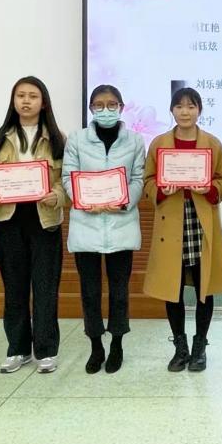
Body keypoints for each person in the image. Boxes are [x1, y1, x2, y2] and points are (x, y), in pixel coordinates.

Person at [144, 87, 222, 373]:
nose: (185, 112)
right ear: (171, 110)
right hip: (171, 223)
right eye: (179, 106)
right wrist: (161, 189)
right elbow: (148, 181)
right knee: (173, 288)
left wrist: (209, 189)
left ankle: (200, 347)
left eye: (191, 106)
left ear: (199, 110)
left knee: (205, 288)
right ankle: (180, 348)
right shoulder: (159, 143)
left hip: (200, 222)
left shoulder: (212, 143)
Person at [0, 77, 67, 375]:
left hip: (44, 219)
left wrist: (57, 195)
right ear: (13, 101)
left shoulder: (57, 138)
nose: (26, 101)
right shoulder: (0, 137)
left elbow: (66, 180)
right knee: (14, 287)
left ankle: (46, 350)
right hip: (9, 219)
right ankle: (17, 349)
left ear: (43, 103)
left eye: (33, 96)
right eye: (20, 95)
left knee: (45, 287)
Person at [63, 84, 145, 374]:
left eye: (112, 104)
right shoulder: (76, 139)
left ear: (121, 108)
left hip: (121, 224)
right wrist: (84, 200)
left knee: (119, 292)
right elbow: (68, 177)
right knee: (90, 292)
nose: (105, 109)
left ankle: (117, 344)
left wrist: (123, 202)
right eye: (99, 105)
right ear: (91, 109)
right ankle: (96, 345)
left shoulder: (135, 140)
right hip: (86, 224)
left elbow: (138, 178)